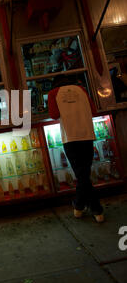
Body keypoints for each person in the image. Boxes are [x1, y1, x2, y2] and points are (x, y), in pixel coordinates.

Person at [48, 75, 104, 223]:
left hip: (70, 137)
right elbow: (93, 110)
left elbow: (53, 115)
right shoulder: (81, 89)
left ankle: (93, 208)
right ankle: (83, 207)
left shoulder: (53, 93)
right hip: (87, 135)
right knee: (83, 173)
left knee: (81, 175)